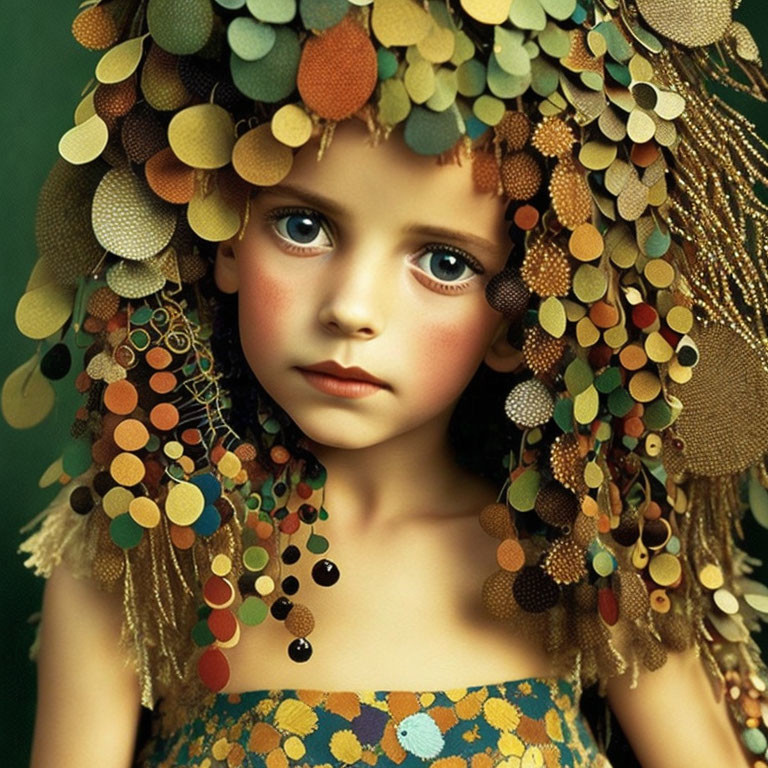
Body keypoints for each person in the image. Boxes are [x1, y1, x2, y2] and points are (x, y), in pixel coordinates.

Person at [8, 1, 768, 766]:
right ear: (226, 234)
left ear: (516, 323)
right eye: (303, 227)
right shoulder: (142, 562)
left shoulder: (587, 563)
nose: (351, 309)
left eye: (445, 263)